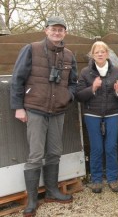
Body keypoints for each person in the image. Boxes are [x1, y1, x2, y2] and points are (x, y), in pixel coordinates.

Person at [10, 16, 77, 217]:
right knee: (35, 155)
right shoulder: (31, 49)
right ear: (46, 30)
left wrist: (68, 96)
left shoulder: (69, 55)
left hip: (58, 111)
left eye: (61, 30)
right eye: (53, 29)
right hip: (35, 109)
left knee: (55, 152)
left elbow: (73, 82)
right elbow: (17, 79)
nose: (57, 32)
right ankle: (31, 199)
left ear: (65, 32)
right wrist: (18, 107)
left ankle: (52, 191)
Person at [75, 41, 118, 194]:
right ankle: (96, 180)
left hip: (112, 113)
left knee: (111, 147)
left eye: (102, 51)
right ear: (92, 55)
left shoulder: (116, 71)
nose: (99, 54)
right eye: (96, 52)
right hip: (92, 114)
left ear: (107, 54)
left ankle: (112, 178)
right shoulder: (85, 72)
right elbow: (79, 95)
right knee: (96, 147)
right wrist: (93, 88)